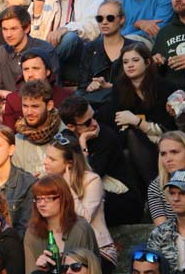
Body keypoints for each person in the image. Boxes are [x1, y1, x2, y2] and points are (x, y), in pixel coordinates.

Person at [59, 96, 144, 226]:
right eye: (87, 122)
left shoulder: (106, 137)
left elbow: (89, 177)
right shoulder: (65, 137)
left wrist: (82, 143)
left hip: (122, 201)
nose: (94, 123)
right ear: (71, 126)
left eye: (94, 117)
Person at [44, 136, 117, 274]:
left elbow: (84, 219)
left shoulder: (92, 180)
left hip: (97, 250)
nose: (45, 162)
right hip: (61, 249)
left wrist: (67, 188)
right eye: (46, 157)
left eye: (52, 159)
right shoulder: (47, 181)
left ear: (69, 164)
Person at [113, 42, 178, 194]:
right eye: (125, 62)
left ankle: (158, 195)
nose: (129, 65)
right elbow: (119, 121)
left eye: (135, 60)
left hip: (164, 141)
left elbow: (167, 128)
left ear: (147, 62)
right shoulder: (120, 87)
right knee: (127, 151)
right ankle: (152, 196)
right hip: (135, 141)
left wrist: (136, 121)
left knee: (131, 141)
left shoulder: (163, 87)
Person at [31, 0, 104, 80]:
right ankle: (44, 71)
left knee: (70, 37)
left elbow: (93, 28)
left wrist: (66, 28)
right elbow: (32, 37)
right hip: (49, 54)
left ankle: (41, 70)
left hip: (78, 57)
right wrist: (37, 12)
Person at [24, 174, 99, 274]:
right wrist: (40, 268)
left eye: (48, 198)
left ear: (63, 199)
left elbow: (88, 273)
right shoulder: (32, 232)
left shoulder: (80, 229)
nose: (42, 204)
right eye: (38, 199)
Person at [0, 6, 57, 95]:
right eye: (5, 29)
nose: (8, 35)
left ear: (27, 28)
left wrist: (12, 98)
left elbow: (53, 90)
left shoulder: (45, 50)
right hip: (6, 105)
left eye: (13, 29)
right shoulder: (2, 51)